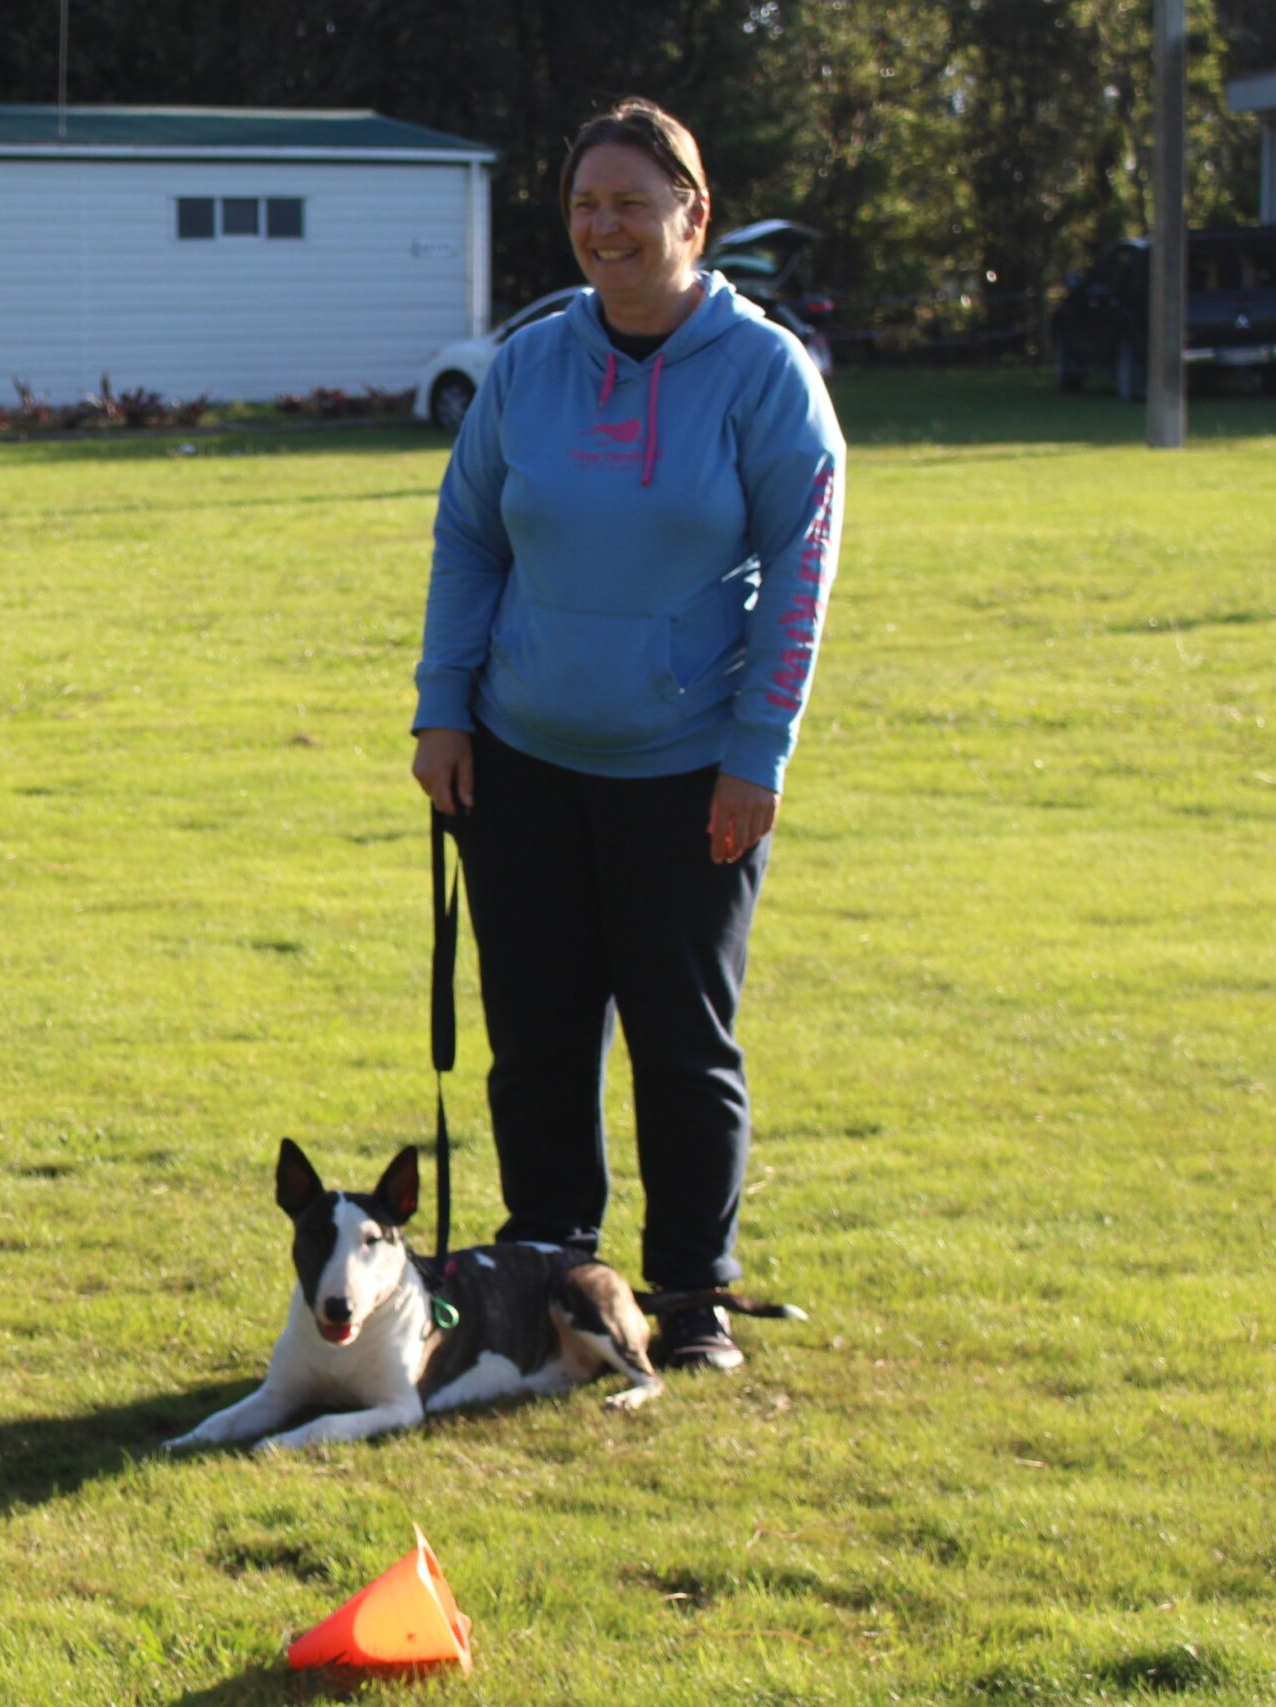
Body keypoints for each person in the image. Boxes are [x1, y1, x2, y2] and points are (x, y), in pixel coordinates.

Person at [410, 98, 843, 1374]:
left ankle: (690, 1292)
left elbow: (802, 573)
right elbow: (468, 538)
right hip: (519, 760)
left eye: (631, 204)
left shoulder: (764, 374)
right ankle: (550, 1269)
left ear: (691, 216)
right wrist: (443, 706)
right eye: (585, 205)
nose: (604, 228)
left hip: (687, 773)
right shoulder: (531, 363)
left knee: (680, 1037)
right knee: (536, 1035)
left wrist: (757, 753)